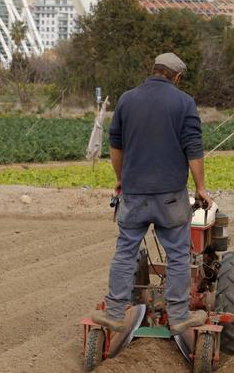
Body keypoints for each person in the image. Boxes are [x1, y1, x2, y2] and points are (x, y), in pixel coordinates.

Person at [91, 52, 214, 335]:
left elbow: (116, 146)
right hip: (170, 196)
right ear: (177, 77)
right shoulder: (184, 103)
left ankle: (114, 313)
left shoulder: (127, 99)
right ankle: (179, 316)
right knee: (179, 255)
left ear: (154, 70)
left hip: (133, 194)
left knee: (125, 252)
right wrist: (200, 188)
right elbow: (193, 150)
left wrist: (121, 180)